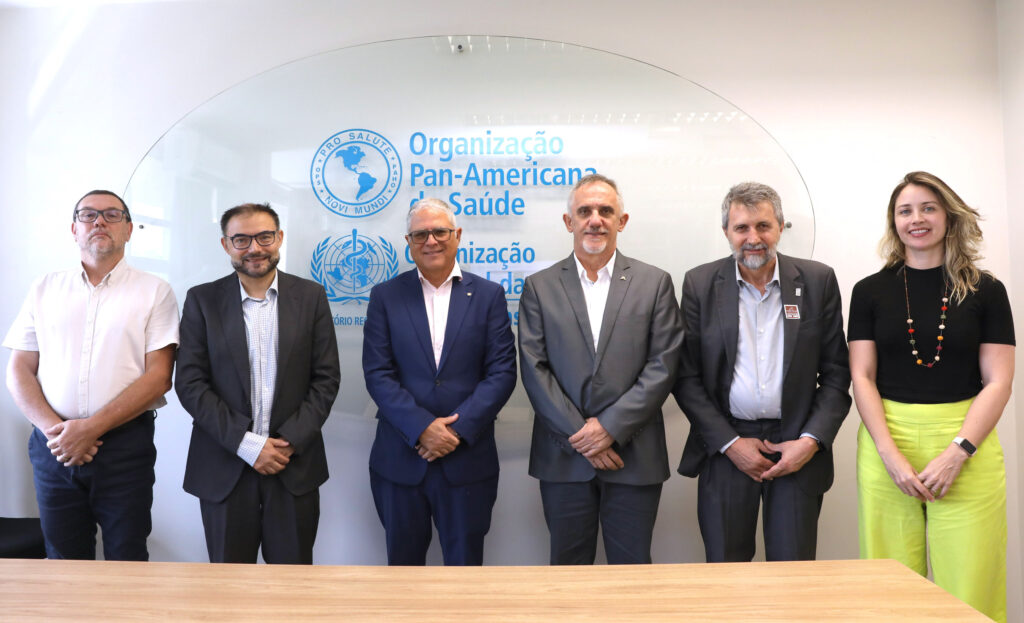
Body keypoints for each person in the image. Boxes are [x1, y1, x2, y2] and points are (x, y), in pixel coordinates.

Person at [849, 172, 1013, 622]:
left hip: (967, 444)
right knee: (888, 585)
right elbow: (862, 376)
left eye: (928, 208)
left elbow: (999, 381)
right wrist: (890, 455)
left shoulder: (986, 290)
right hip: (886, 443)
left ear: (948, 216)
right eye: (905, 211)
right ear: (894, 222)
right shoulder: (868, 291)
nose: (916, 219)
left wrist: (958, 452)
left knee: (971, 582)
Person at [675, 182, 850, 563]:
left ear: (781, 227)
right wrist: (730, 443)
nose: (753, 238)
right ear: (726, 232)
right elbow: (686, 377)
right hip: (727, 444)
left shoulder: (817, 281)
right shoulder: (700, 284)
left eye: (763, 226)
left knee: (792, 570)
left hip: (796, 445)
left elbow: (837, 374)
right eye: (742, 228)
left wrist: (810, 442)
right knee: (726, 568)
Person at [4, 190, 179, 560]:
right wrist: (58, 433)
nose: (99, 221)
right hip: (52, 446)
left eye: (112, 214)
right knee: (62, 560)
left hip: (123, 447)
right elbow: (19, 369)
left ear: (129, 229)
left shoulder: (155, 291)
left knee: (127, 557)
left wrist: (89, 430)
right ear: (74, 229)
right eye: (88, 215)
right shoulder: (44, 287)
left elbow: (160, 376)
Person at [519, 173, 683, 565]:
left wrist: (610, 428)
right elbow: (534, 368)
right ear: (569, 221)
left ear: (621, 221)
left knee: (631, 575)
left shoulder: (655, 283)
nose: (595, 220)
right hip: (564, 458)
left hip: (633, 456)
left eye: (606, 211)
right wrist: (583, 436)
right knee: (568, 573)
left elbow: (663, 365)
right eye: (585, 211)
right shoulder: (539, 287)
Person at [175, 202, 340, 564]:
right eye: (241, 239)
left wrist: (287, 443)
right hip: (225, 466)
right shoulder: (202, 300)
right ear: (226, 245)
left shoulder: (311, 297)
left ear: (279, 238)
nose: (254, 248)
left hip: (292, 466)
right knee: (229, 587)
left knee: (292, 585)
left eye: (264, 237)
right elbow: (190, 383)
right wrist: (248, 444)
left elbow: (326, 379)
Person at [363, 198, 516, 565]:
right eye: (420, 235)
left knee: (464, 575)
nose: (430, 241)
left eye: (440, 232)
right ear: (409, 242)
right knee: (403, 574)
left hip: (467, 462)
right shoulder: (386, 296)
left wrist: (453, 432)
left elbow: (502, 373)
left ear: (457, 235)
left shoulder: (489, 296)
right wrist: (422, 428)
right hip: (400, 461)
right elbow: (378, 374)